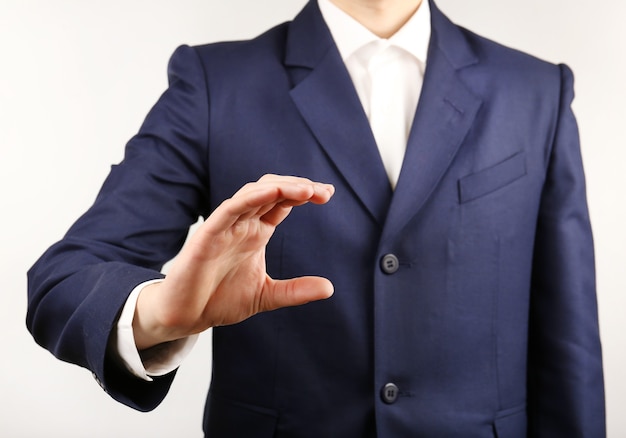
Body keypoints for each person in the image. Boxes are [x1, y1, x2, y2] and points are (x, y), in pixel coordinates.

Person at [27, 0, 605, 435]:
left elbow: (569, 343)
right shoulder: (216, 85)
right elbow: (63, 279)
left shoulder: (535, 92)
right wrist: (161, 312)